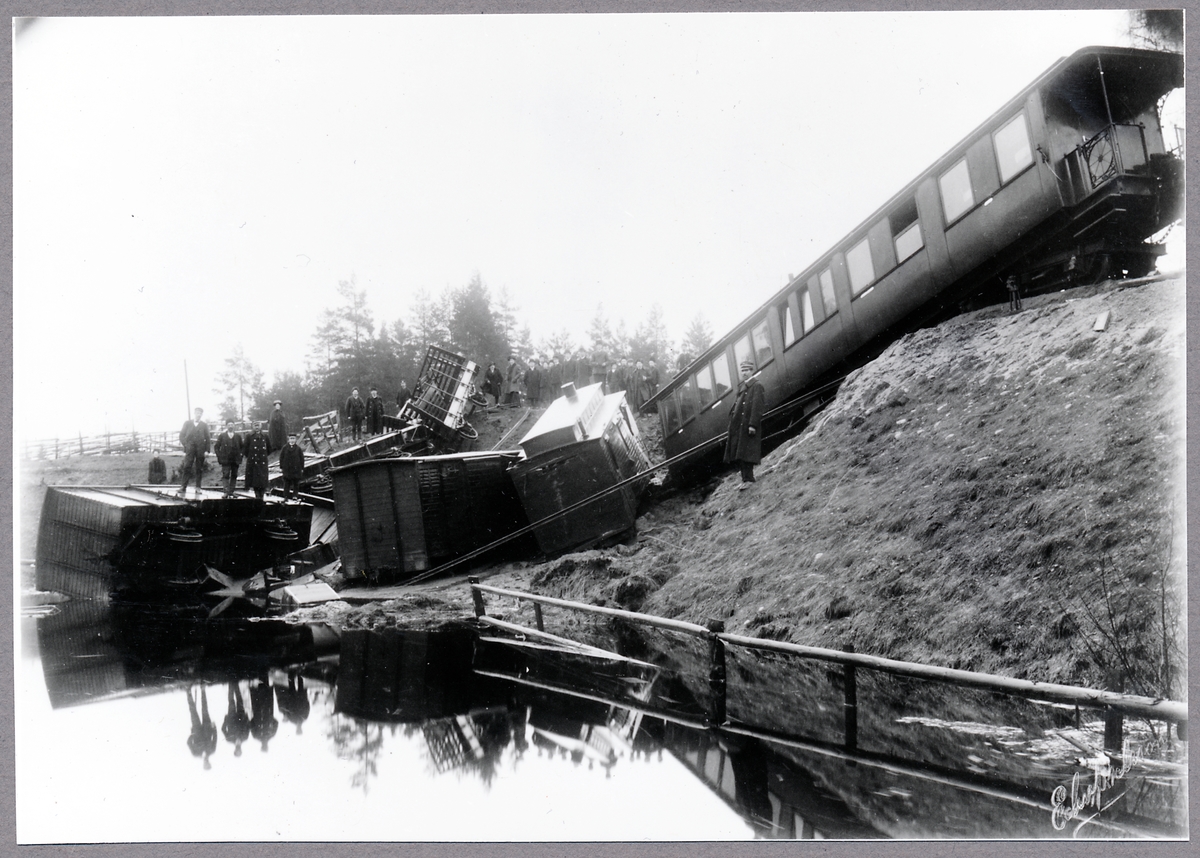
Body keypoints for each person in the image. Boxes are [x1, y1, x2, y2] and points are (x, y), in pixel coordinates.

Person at [725, 361, 766, 488]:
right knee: (740, 452)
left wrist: (753, 424)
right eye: (742, 371)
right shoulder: (743, 386)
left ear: (752, 371)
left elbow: (757, 407)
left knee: (747, 452)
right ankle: (745, 479)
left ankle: (749, 478)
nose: (744, 373)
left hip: (748, 425)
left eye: (747, 370)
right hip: (738, 426)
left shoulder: (757, 386)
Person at [177, 407, 210, 497]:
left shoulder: (204, 425)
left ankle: (198, 487)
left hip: (200, 450)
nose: (198, 414)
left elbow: (207, 438)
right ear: (194, 413)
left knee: (199, 468)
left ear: (201, 415)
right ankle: (183, 486)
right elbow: (181, 436)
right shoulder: (187, 423)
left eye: (200, 413)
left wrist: (207, 450)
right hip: (190, 449)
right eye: (197, 413)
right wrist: (186, 445)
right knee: (187, 466)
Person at [186, 684, 218, 770]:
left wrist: (192, 734)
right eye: (208, 764)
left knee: (193, 711)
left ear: (203, 764)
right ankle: (203, 690)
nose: (206, 762)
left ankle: (188, 692)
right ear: (210, 763)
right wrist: (214, 727)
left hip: (196, 729)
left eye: (205, 765)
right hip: (207, 727)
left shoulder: (196, 753)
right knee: (204, 709)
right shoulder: (212, 750)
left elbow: (188, 743)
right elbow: (215, 738)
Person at [213, 423, 244, 497]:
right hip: (225, 459)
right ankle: (226, 492)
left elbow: (243, 447)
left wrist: (241, 454)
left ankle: (231, 491)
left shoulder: (238, 436)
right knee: (225, 475)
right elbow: (216, 447)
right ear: (226, 426)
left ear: (234, 426)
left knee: (234, 475)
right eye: (229, 425)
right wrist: (219, 456)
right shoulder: (222, 436)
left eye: (232, 425)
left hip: (235, 459)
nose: (230, 426)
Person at [222, 682, 251, 757]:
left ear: (234, 750)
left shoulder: (229, 739)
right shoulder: (245, 737)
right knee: (239, 699)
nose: (238, 750)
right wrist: (247, 718)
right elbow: (248, 727)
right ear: (241, 750)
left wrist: (226, 719)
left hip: (231, 716)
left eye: (237, 751)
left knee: (231, 701)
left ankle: (231, 684)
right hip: (241, 715)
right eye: (239, 751)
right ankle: (235, 684)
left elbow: (223, 729)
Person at [249, 679, 278, 753]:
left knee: (257, 694)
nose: (264, 745)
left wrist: (256, 717)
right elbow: (276, 723)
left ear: (261, 746)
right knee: (266, 693)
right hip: (268, 710)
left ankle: (257, 675)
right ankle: (265, 675)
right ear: (267, 746)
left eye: (263, 747)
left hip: (257, 710)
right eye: (265, 747)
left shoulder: (256, 736)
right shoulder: (272, 734)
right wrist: (270, 717)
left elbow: (251, 724)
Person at [243, 421, 270, 500]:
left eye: (258, 426)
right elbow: (245, 448)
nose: (257, 427)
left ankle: (261, 496)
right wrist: (250, 456)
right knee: (255, 479)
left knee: (263, 479)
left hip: (262, 461)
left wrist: (263, 455)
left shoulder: (265, 436)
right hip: (253, 461)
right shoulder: (249, 436)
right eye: (255, 426)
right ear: (252, 427)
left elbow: (269, 448)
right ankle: (257, 495)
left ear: (261, 426)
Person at [279, 433, 305, 500]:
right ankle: (285, 496)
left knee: (296, 483)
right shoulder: (285, 448)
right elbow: (281, 458)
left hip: (296, 469)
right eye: (291, 438)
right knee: (286, 484)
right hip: (287, 469)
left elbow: (302, 459)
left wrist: (302, 468)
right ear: (288, 439)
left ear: (296, 440)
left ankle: (295, 496)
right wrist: (281, 467)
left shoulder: (298, 449)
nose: (292, 440)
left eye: (293, 438)